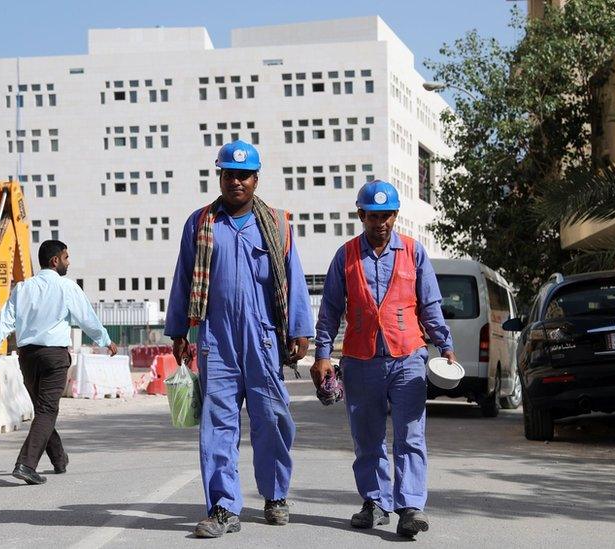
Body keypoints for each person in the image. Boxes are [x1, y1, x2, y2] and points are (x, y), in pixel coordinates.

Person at [165, 140, 315, 538]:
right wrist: (179, 329)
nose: (236, 181)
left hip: (263, 337)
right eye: (228, 174)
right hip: (216, 337)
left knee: (274, 419)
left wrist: (300, 329)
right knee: (218, 425)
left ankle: (275, 494)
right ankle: (223, 506)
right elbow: (184, 279)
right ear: (219, 176)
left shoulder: (277, 223)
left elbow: (294, 279)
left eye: (243, 175)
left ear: (255, 178)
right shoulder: (200, 224)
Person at [311, 180, 456, 540]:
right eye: (374, 216)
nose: (381, 223)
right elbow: (329, 310)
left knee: (410, 434)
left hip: (407, 356)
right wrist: (323, 354)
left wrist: (445, 345)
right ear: (361, 215)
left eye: (387, 216)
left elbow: (430, 304)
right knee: (367, 437)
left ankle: (409, 507)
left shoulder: (413, 252)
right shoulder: (345, 256)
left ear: (395, 215)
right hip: (361, 360)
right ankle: (375, 503)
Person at [0, 240, 118, 485]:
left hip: (28, 358)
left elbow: (4, 321)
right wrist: (105, 340)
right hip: (53, 357)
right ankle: (26, 464)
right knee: (47, 411)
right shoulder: (66, 287)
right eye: (66, 257)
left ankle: (59, 458)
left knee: (43, 410)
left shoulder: (22, 288)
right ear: (55, 260)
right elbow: (87, 318)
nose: (68, 262)